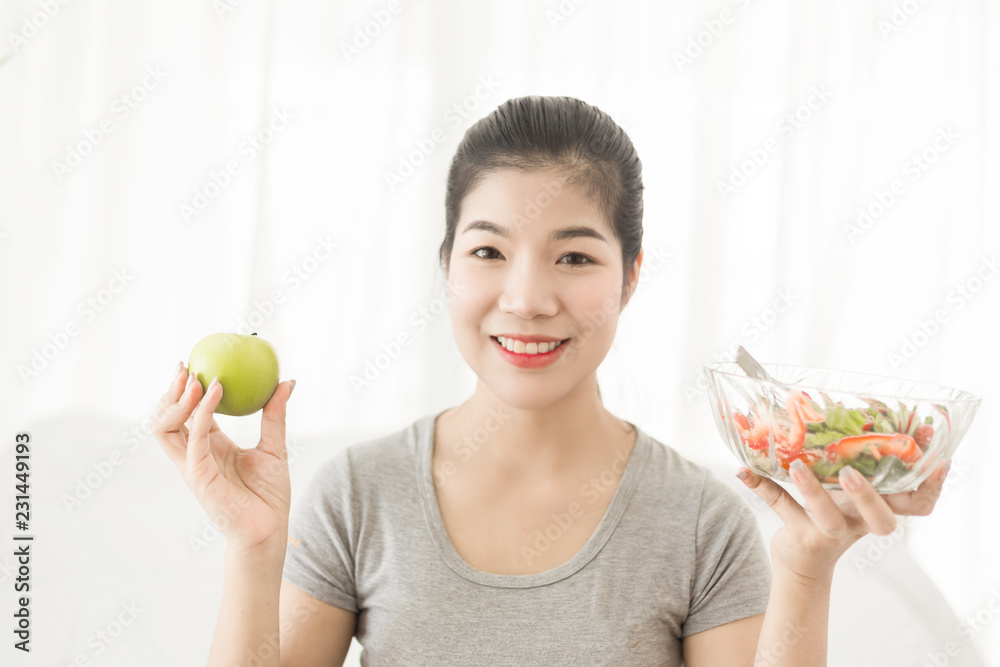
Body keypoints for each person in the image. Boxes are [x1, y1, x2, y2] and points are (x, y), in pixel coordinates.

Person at [152, 95, 950, 666]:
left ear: (631, 276)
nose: (528, 299)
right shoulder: (358, 494)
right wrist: (253, 549)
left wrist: (806, 571)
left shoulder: (702, 523)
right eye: (489, 251)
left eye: (574, 256)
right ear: (446, 268)